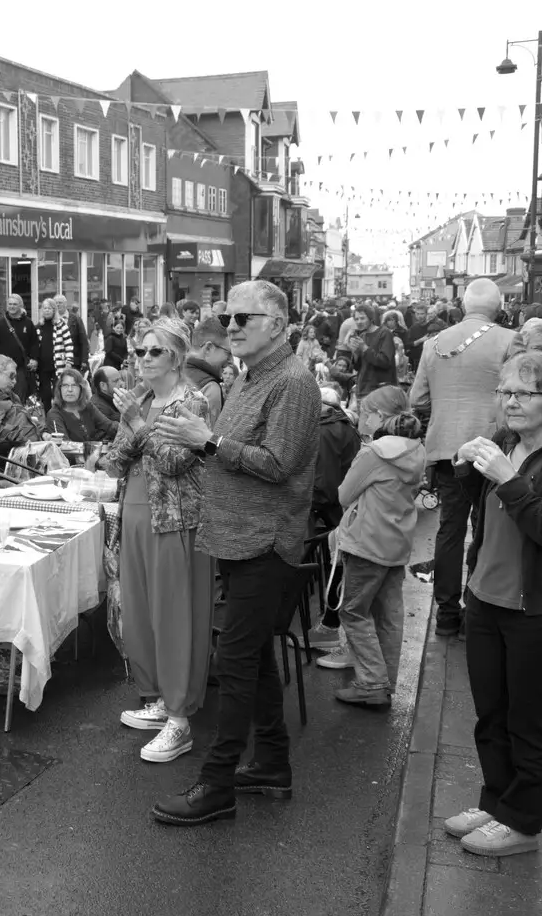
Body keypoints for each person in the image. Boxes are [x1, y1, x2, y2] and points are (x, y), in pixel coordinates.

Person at [149, 280, 322, 826]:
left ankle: (217, 782)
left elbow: (278, 464)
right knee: (255, 656)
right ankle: (271, 762)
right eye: (228, 318)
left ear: (277, 323)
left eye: (245, 318)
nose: (233, 327)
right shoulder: (250, 377)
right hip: (235, 536)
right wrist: (194, 441)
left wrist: (208, 440)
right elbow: (226, 455)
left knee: (237, 662)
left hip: (265, 541)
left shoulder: (293, 382)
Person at [445, 351, 542, 856]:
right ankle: (496, 802)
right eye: (504, 392)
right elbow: (485, 518)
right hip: (486, 600)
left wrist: (510, 480)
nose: (509, 402)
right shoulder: (507, 443)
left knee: (529, 720)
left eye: (522, 393)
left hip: (536, 611)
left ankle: (523, 821)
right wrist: (467, 469)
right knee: (491, 713)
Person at [102, 322, 214, 763]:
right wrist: (132, 427)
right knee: (141, 614)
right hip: (133, 514)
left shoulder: (193, 402)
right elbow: (113, 461)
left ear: (177, 357)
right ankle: (160, 700)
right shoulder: (144, 399)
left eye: (155, 352)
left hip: (174, 522)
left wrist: (133, 425)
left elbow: (175, 463)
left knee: (174, 618)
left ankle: (181, 720)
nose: (144, 359)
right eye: (140, 351)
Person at [410, 278, 517, 637]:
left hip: (445, 447)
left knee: (450, 528)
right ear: (498, 305)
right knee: (486, 527)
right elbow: (515, 395)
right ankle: (476, 606)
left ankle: (446, 611)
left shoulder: (434, 342)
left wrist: (443, 410)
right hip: (492, 445)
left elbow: (417, 400)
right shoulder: (508, 339)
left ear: (462, 303)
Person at [318, 391, 425, 707]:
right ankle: (384, 681)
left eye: (365, 413)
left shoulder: (373, 453)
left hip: (366, 542)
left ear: (379, 415)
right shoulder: (416, 449)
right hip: (396, 542)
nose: (361, 418)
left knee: (353, 611)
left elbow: (343, 494)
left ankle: (372, 683)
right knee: (388, 615)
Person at [311, 382, 361, 534]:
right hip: (343, 502)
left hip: (330, 509)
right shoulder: (344, 425)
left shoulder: (325, 429)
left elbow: (325, 480)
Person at [46, 367, 117, 443]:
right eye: (65, 385)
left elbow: (110, 426)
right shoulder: (54, 414)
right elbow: (64, 445)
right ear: (60, 389)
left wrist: (128, 429)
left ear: (81, 389)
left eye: (74, 385)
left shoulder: (87, 406)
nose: (70, 390)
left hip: (93, 452)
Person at [0, 294, 40, 400]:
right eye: (10, 304)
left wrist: (34, 359)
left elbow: (34, 343)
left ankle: (19, 416)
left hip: (21, 369)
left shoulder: (28, 323)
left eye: (15, 304)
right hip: (4, 369)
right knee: (3, 397)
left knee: (19, 398)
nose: (12, 307)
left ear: (20, 306)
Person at [183, 320, 231, 425]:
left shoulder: (174, 372)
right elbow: (208, 437)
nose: (230, 361)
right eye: (228, 353)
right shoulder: (211, 388)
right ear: (208, 348)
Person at [38, 295, 87, 381]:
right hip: (46, 365)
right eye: (56, 303)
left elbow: (83, 341)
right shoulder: (39, 326)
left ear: (65, 304)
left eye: (60, 303)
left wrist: (83, 360)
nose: (58, 305)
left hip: (71, 361)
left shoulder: (75, 319)